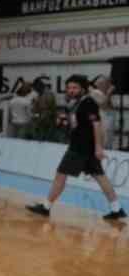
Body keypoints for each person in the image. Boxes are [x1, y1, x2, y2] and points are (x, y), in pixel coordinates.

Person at [26, 74, 125, 221]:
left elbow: (97, 125)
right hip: (84, 147)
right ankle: (117, 209)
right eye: (69, 88)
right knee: (100, 177)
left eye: (75, 87)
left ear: (83, 89)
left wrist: (98, 147)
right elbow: (80, 123)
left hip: (80, 148)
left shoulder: (88, 102)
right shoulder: (78, 103)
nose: (71, 90)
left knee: (60, 175)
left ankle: (46, 207)